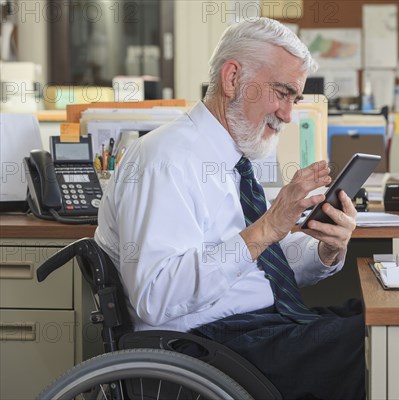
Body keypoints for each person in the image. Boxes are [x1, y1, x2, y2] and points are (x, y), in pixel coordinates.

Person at [95, 17, 365, 399]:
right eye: (282, 93)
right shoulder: (165, 159)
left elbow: (248, 265)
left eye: (295, 99)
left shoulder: (227, 158)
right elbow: (157, 297)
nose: (288, 115)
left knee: (385, 323)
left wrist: (325, 250)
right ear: (232, 78)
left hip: (255, 329)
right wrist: (267, 227)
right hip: (208, 348)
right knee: (373, 344)